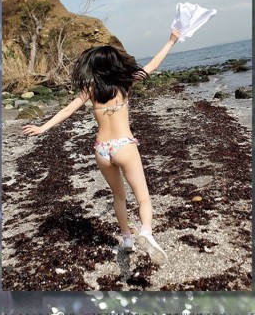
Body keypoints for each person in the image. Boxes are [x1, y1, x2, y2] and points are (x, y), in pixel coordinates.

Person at [22, 31, 181, 265]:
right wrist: (171, 40)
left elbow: (67, 111)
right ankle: (146, 232)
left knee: (119, 196)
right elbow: (153, 64)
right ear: (114, 64)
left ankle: (127, 238)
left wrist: (42, 128)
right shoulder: (125, 83)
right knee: (143, 198)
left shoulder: (91, 89)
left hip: (102, 149)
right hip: (124, 146)